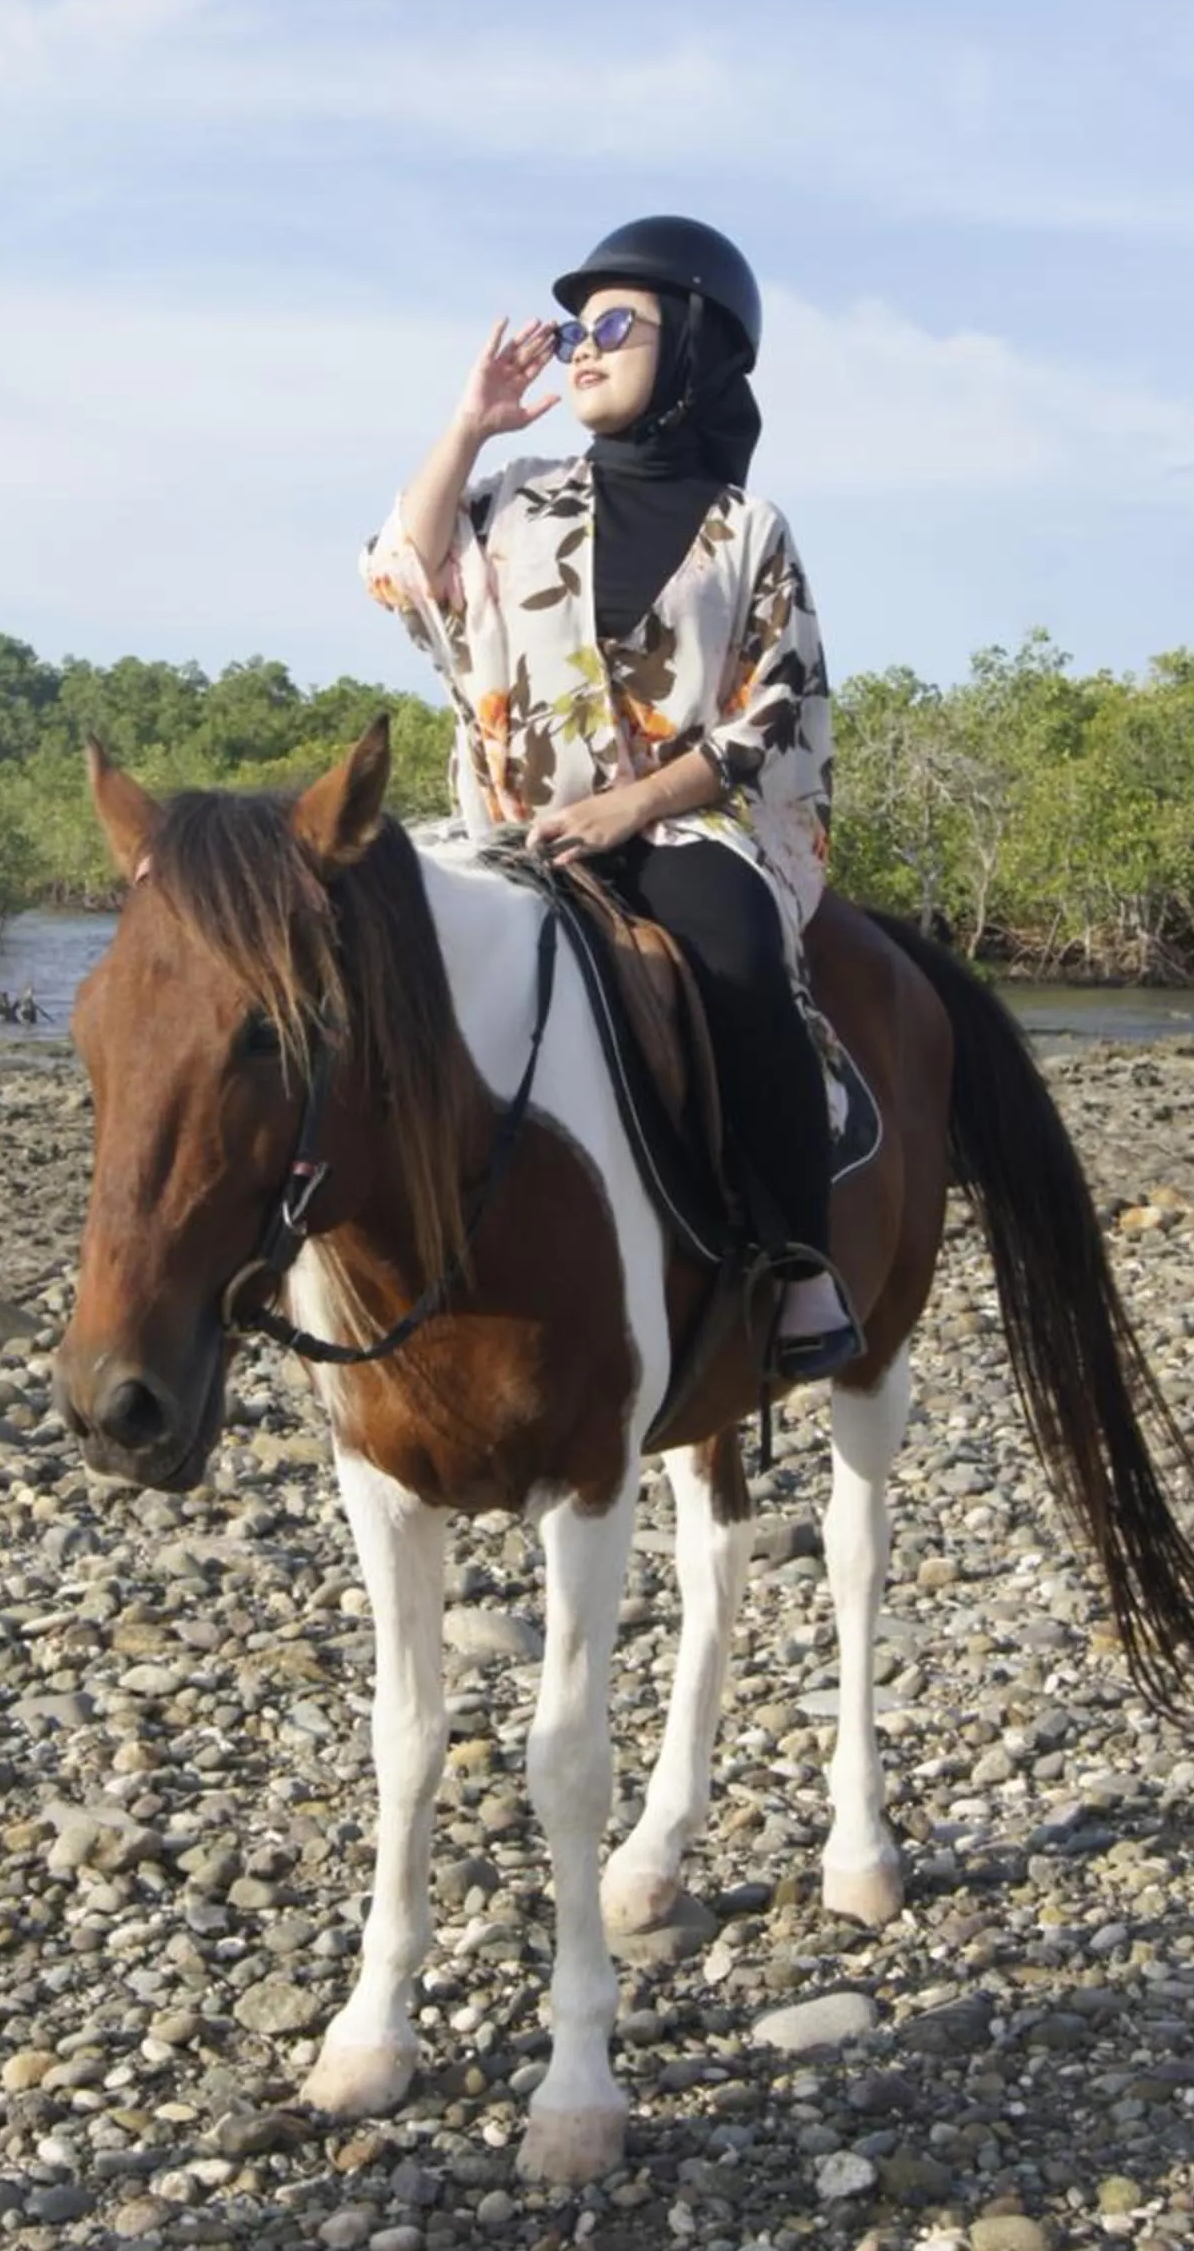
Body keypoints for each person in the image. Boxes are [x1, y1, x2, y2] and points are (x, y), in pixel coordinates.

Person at [361, 213, 860, 1382]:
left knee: (738, 958)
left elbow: (769, 705)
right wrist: (468, 423)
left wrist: (626, 812)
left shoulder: (747, 530)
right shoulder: (515, 496)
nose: (582, 347)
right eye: (574, 328)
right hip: (505, 830)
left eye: (614, 325)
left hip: (675, 824)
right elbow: (397, 575)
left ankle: (794, 1257)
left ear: (691, 343)